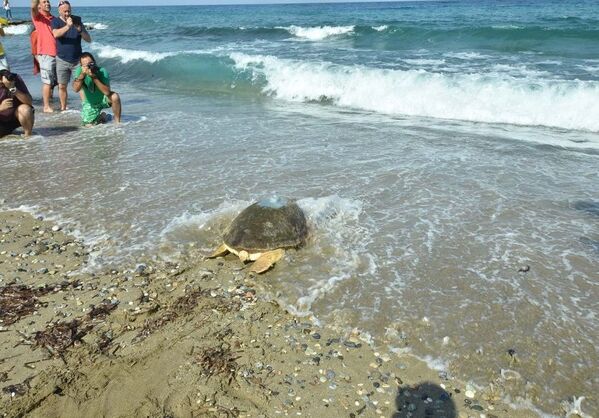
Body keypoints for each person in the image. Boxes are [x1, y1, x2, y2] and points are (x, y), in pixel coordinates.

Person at [52, 0, 91, 111]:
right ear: (59, 11)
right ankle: (64, 108)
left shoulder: (77, 20)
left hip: (77, 60)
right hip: (61, 59)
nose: (67, 13)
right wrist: (68, 26)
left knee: (80, 85)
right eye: (64, 11)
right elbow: (55, 34)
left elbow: (89, 39)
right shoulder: (55, 21)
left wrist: (80, 31)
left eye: (68, 11)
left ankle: (86, 107)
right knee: (62, 86)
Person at [72, 52, 121, 125]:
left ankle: (117, 122)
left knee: (115, 96)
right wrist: (82, 75)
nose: (89, 67)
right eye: (85, 65)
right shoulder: (79, 71)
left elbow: (107, 92)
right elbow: (76, 89)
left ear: (94, 62)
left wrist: (94, 77)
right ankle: (102, 117)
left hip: (103, 100)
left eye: (90, 64)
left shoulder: (102, 71)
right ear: (81, 66)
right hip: (90, 103)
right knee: (89, 125)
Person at [31, 0, 57, 113]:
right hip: (46, 54)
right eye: (44, 2)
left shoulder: (54, 19)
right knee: (47, 82)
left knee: (55, 82)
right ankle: (46, 106)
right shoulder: (38, 17)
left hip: (58, 54)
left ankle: (56, 103)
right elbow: (33, 7)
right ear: (39, 5)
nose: (47, 3)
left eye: (48, 2)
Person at [0, 69, 34, 137]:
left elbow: (29, 102)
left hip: (15, 118)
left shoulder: (15, 78)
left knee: (25, 109)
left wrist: (12, 88)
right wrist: (1, 107)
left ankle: (28, 136)